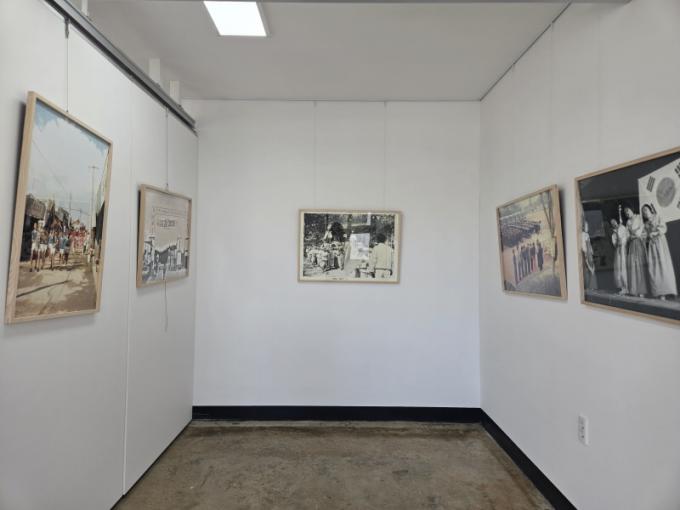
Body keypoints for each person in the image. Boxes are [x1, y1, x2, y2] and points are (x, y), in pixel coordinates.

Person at [642, 204, 677, 300]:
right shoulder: (646, 224)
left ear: (650, 210)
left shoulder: (657, 217)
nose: (644, 212)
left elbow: (663, 228)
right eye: (643, 211)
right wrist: (647, 236)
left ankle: (669, 290)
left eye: (645, 209)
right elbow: (644, 235)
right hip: (652, 246)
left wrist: (655, 232)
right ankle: (660, 292)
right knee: (654, 268)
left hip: (660, 244)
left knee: (664, 266)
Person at [624, 206, 648, 297]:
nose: (627, 213)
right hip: (632, 244)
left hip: (639, 243)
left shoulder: (638, 217)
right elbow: (627, 235)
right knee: (633, 266)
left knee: (640, 265)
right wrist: (631, 236)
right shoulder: (628, 222)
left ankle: (642, 290)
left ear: (632, 209)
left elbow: (641, 230)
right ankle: (635, 290)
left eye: (628, 210)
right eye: (625, 213)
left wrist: (635, 234)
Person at [610, 217, 628, 295]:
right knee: (619, 267)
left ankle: (628, 286)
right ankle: (622, 287)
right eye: (612, 223)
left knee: (625, 266)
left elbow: (626, 237)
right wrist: (618, 242)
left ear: (617, 221)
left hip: (624, 249)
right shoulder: (613, 233)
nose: (613, 223)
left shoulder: (622, 228)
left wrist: (622, 241)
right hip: (618, 250)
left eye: (614, 221)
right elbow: (614, 243)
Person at [581, 221, 598, 290]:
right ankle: (589, 285)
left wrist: (591, 251)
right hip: (586, 252)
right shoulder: (583, 234)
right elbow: (584, 245)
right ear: (583, 227)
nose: (587, 228)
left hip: (588, 252)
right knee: (589, 268)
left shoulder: (586, 234)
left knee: (591, 268)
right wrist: (586, 253)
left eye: (587, 226)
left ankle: (591, 285)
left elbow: (589, 244)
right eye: (586, 226)